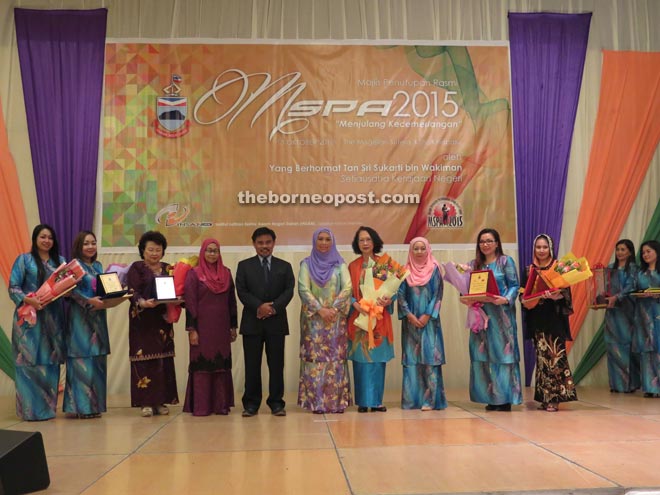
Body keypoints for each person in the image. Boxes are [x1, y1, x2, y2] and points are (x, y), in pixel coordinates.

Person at [9, 224, 66, 420]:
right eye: (43, 237)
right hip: (29, 320)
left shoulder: (60, 263)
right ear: (35, 239)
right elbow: (13, 287)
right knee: (27, 362)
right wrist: (28, 299)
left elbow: (67, 288)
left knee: (49, 362)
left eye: (50, 237)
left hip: (53, 319)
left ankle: (47, 410)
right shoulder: (24, 260)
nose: (46, 241)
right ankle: (29, 410)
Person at [461, 228, 522, 411]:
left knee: (503, 355)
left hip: (501, 317)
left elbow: (515, 285)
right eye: (482, 241)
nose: (485, 244)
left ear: (497, 243)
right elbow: (466, 288)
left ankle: (504, 399)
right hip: (480, 317)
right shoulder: (474, 265)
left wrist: (506, 299)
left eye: (489, 241)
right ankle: (490, 397)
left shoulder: (505, 261)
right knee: (482, 356)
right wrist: (466, 297)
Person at [236, 227, 295, 417]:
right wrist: (259, 307)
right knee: (252, 365)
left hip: (276, 323)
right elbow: (242, 291)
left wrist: (273, 308)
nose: (264, 246)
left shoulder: (284, 266)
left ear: (274, 243)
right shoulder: (244, 266)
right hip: (252, 323)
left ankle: (276, 403)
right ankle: (251, 404)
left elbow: (289, 290)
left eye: (268, 242)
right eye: (260, 243)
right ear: (254, 244)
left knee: (277, 365)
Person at [297, 227, 352, 414]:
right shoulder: (306, 264)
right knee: (315, 360)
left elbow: (348, 288)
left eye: (327, 239)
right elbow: (304, 289)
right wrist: (320, 310)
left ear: (333, 241)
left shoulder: (340, 264)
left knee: (335, 359)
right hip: (314, 322)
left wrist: (334, 309)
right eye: (320, 239)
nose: (323, 242)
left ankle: (336, 403)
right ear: (314, 241)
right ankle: (316, 402)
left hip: (335, 321)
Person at [520, 234, 577, 412]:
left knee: (555, 357)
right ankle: (545, 397)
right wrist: (530, 298)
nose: (541, 250)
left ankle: (555, 398)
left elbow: (566, 294)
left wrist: (556, 295)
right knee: (542, 359)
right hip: (538, 318)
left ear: (550, 248)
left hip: (554, 318)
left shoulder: (559, 268)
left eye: (545, 247)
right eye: (538, 247)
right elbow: (523, 295)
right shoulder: (529, 270)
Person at [126, 231, 179, 417]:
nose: (154, 253)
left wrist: (178, 300)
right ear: (143, 250)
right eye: (150, 249)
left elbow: (177, 289)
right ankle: (145, 403)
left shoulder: (168, 268)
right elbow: (132, 290)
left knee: (163, 360)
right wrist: (142, 303)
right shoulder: (137, 267)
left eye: (158, 249)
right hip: (142, 320)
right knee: (143, 361)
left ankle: (161, 401)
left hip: (163, 321)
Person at [183, 238, 238, 416]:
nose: (212, 254)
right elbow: (190, 303)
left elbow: (231, 302)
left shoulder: (226, 273)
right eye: (209, 250)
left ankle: (220, 405)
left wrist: (233, 326)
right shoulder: (194, 274)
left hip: (221, 328)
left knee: (221, 364)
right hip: (202, 328)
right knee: (202, 365)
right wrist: (192, 329)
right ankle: (201, 406)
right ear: (202, 252)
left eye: (215, 251)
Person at [347, 226, 394, 413]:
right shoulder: (353, 266)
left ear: (374, 241)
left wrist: (389, 299)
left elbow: (392, 289)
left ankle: (376, 401)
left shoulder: (384, 264)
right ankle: (362, 402)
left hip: (379, 319)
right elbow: (347, 292)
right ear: (357, 244)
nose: (365, 243)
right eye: (361, 240)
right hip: (360, 319)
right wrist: (354, 303)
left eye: (368, 239)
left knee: (376, 360)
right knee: (360, 360)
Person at [64, 231, 111, 418]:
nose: (90, 246)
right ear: (78, 246)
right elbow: (69, 292)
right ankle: (81, 408)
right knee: (81, 361)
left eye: (93, 243)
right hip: (80, 320)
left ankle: (95, 406)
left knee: (98, 361)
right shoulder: (73, 266)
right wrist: (88, 301)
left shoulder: (98, 265)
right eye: (86, 243)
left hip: (98, 319)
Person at [397, 237, 447, 410]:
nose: (419, 252)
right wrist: (409, 315)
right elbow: (400, 295)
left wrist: (427, 315)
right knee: (411, 360)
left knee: (430, 359)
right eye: (415, 249)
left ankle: (431, 401)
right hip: (410, 323)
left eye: (422, 248)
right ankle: (412, 401)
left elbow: (438, 295)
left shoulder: (435, 270)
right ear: (411, 251)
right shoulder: (404, 271)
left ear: (428, 250)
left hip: (430, 323)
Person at [604, 239, 640, 393]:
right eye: (618, 249)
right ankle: (615, 385)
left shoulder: (633, 269)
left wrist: (617, 297)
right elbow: (604, 287)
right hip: (612, 312)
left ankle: (629, 385)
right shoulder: (610, 268)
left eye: (623, 249)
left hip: (626, 312)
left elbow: (631, 286)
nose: (619, 252)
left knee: (627, 346)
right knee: (612, 346)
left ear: (630, 252)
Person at [634, 240, 660, 398]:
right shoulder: (639, 274)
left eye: (648, 251)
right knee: (646, 351)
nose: (645, 255)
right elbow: (631, 290)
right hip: (643, 315)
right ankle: (650, 388)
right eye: (643, 252)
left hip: (658, 313)